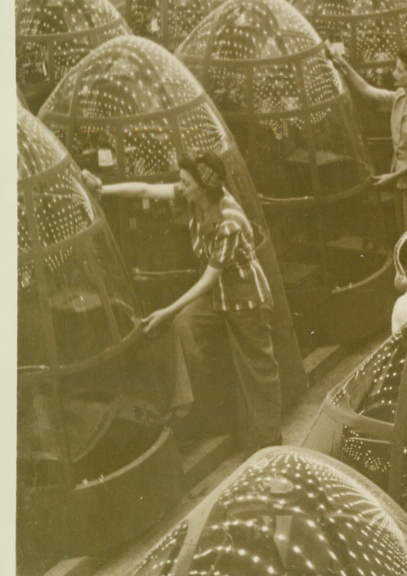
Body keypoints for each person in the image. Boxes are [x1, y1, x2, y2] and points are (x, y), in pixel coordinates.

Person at [83, 152, 282, 453]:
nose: (180, 186)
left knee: (258, 372)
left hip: (247, 301)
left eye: (186, 182)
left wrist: (164, 311)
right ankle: (187, 409)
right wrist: (103, 190)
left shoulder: (230, 222)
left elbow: (208, 280)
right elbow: (146, 190)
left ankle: (270, 445)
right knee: (184, 325)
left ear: (203, 187)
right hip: (220, 298)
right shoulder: (194, 197)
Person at [331, 44, 407, 234]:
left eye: (400, 70)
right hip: (403, 185)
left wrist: (393, 177)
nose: (394, 73)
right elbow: (365, 89)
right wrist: (343, 64)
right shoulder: (400, 97)